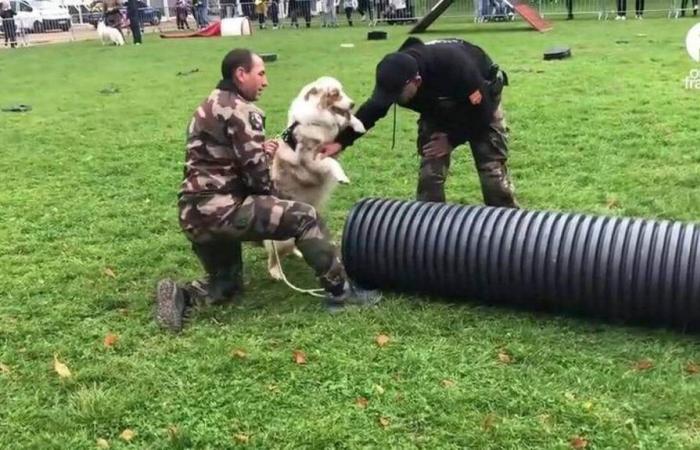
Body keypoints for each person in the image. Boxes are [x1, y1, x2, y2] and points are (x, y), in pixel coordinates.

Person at [155, 49, 380, 332]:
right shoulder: (244, 111)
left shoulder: (207, 106)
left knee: (228, 286)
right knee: (306, 217)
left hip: (194, 217)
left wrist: (260, 151)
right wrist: (283, 200)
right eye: (260, 74)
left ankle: (183, 295)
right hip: (225, 212)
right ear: (240, 74)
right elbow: (258, 180)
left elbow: (219, 158)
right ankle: (342, 293)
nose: (265, 82)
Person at [322, 37, 518, 208]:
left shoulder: (455, 66)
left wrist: (451, 140)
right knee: (429, 177)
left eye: (397, 95)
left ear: (416, 81)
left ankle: (510, 230)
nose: (394, 100)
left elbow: (482, 112)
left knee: (492, 176)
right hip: (437, 109)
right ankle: (429, 234)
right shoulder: (397, 72)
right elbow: (373, 110)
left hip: (479, 104)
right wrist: (340, 142)